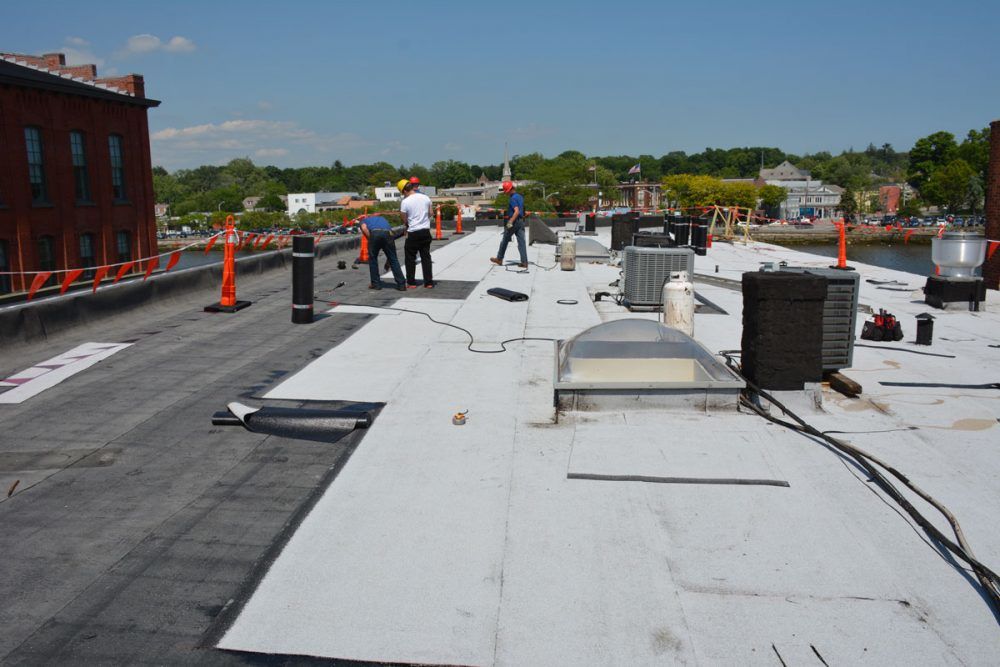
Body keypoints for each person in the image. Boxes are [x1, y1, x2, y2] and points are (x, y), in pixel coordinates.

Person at [398, 179, 434, 288]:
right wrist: (423, 220)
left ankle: (411, 282)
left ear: (404, 191)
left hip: (413, 232)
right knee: (426, 257)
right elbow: (431, 213)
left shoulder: (405, 202)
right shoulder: (425, 197)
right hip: (425, 231)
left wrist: (409, 223)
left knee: (410, 258)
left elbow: (404, 218)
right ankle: (428, 283)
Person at [360, 214, 405, 291]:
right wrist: (388, 261)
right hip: (387, 234)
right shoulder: (383, 219)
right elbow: (390, 234)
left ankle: (376, 284)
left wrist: (371, 239)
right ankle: (401, 285)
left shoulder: (364, 220)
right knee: (393, 259)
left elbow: (364, 229)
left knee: (373, 259)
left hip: (374, 234)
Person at [490, 181, 527, 268]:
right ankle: (524, 262)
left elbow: (516, 211)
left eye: (507, 192)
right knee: (521, 242)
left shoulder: (513, 198)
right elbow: (522, 210)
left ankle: (499, 259)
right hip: (521, 221)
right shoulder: (520, 197)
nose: (506, 194)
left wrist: (510, 222)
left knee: (505, 240)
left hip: (513, 221)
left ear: (510, 190)